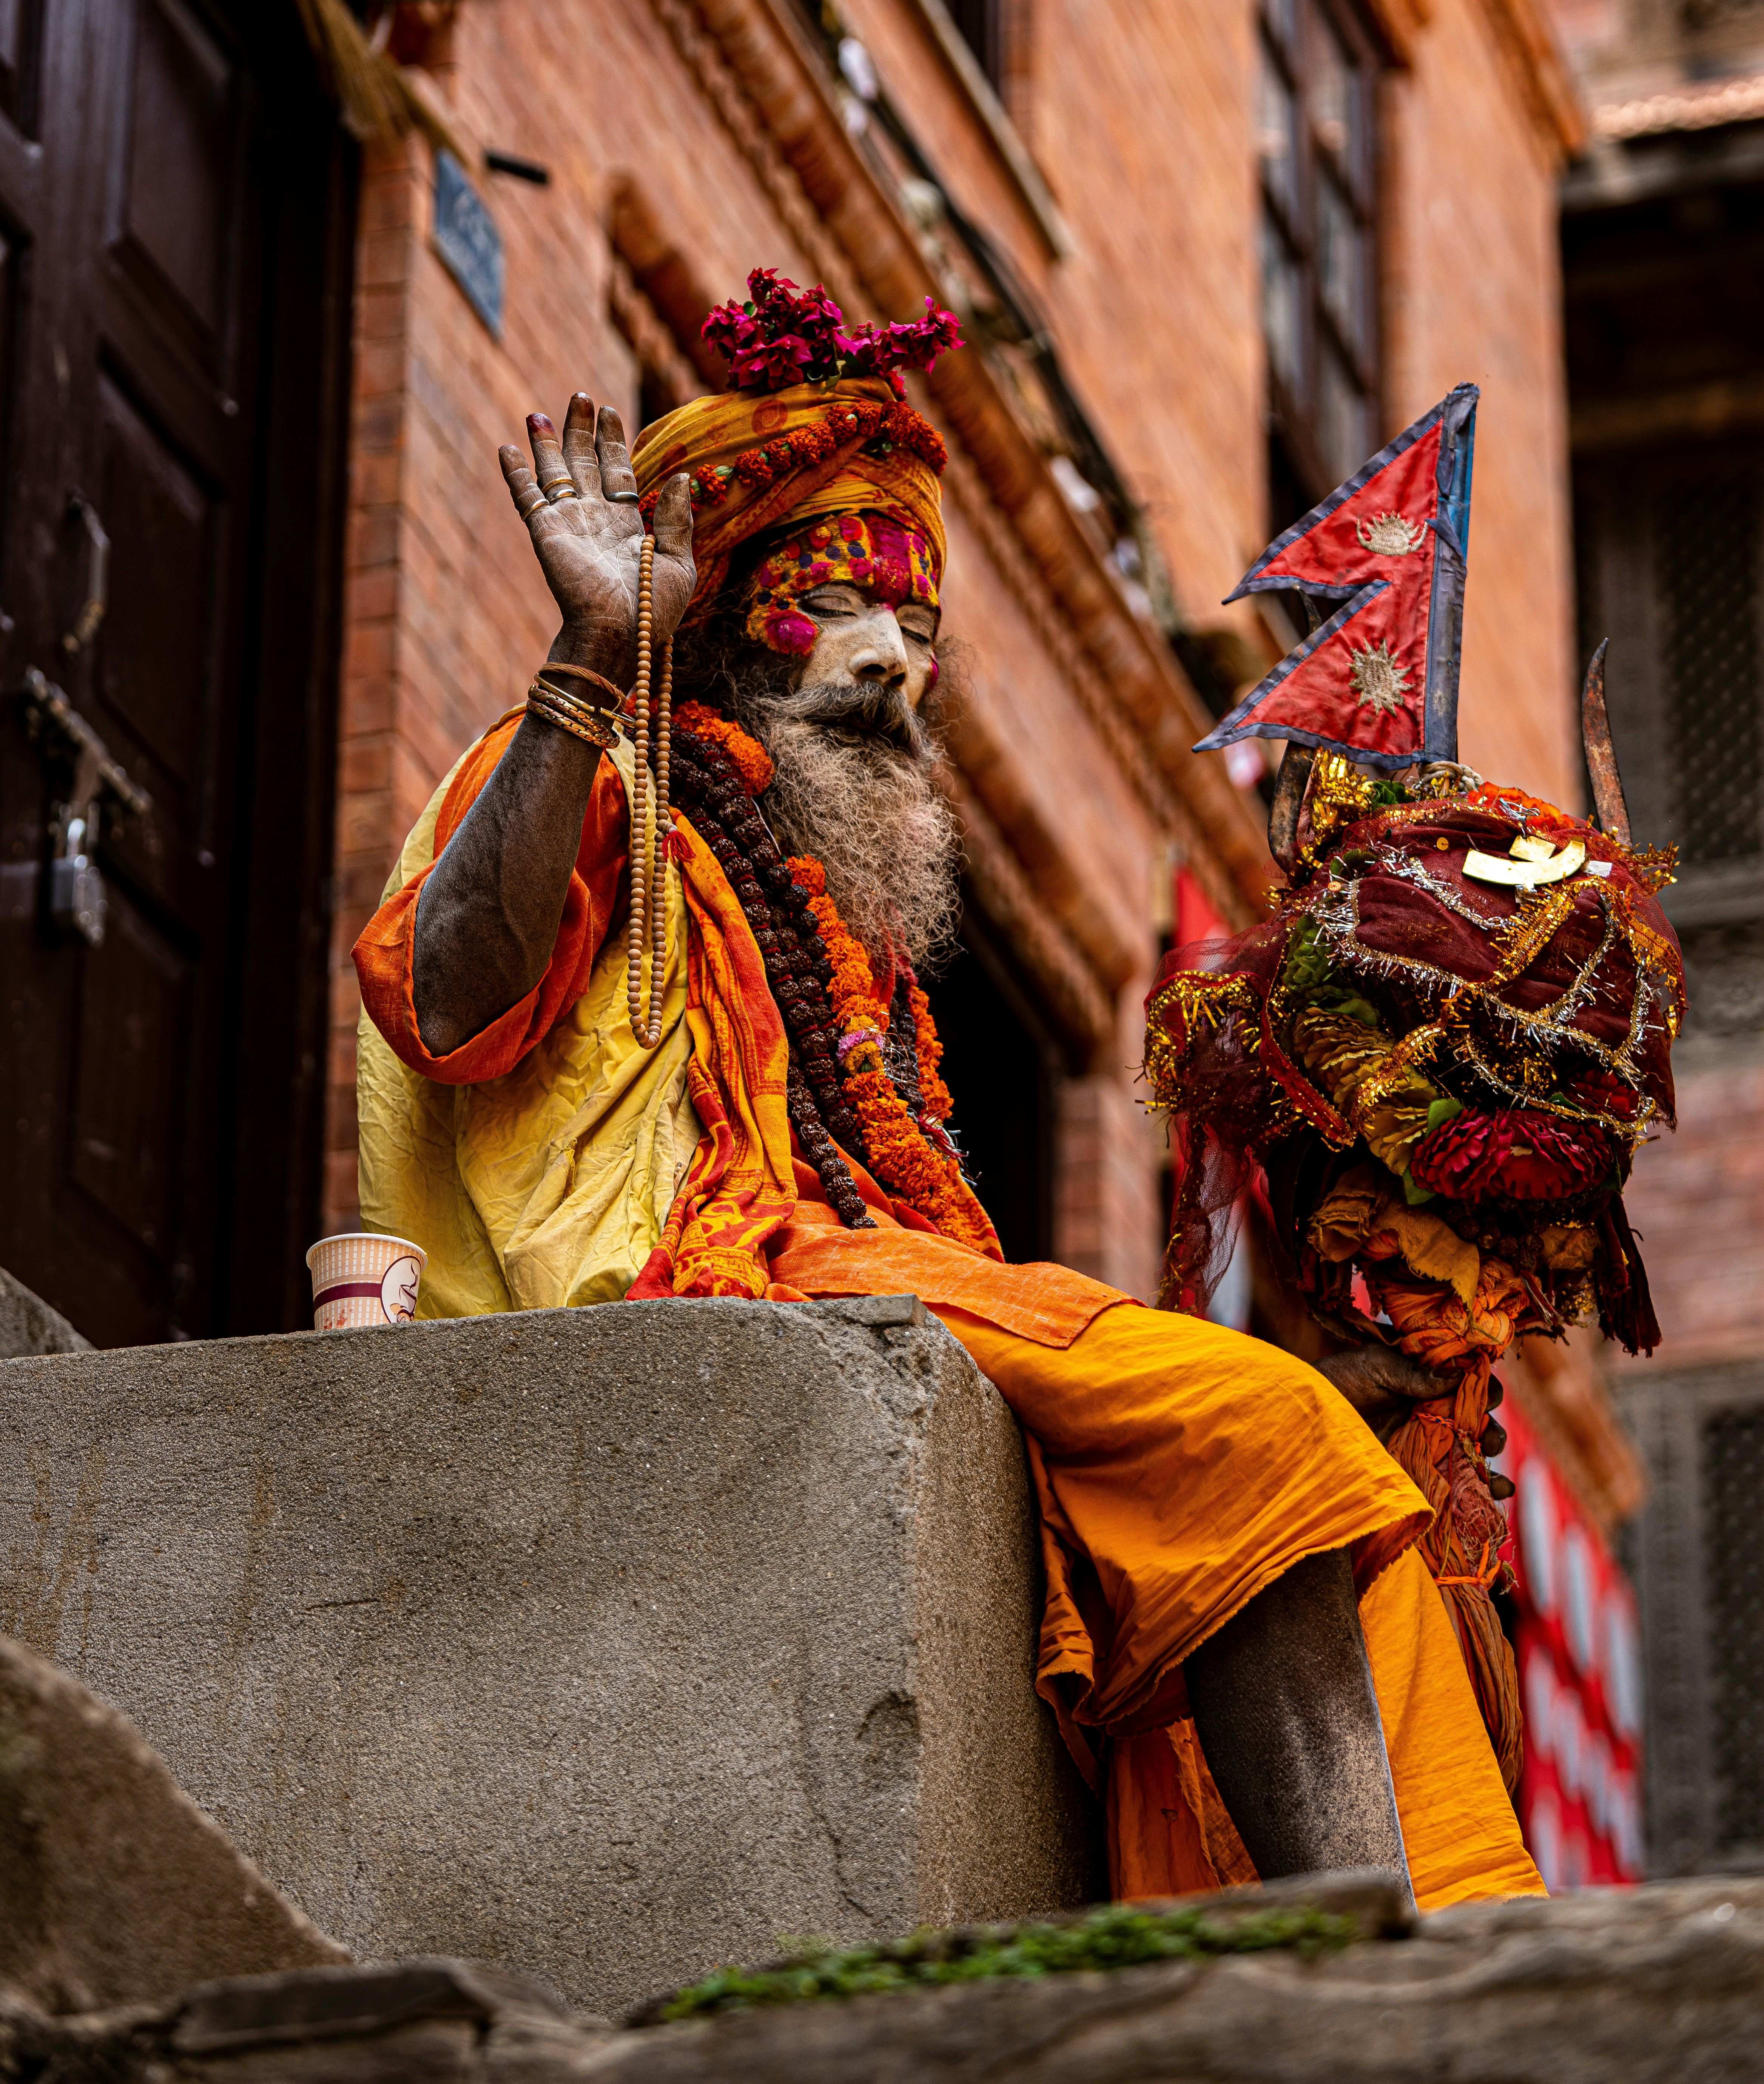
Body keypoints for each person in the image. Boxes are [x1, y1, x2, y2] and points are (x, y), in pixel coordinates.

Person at [353, 273, 1543, 1909]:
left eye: (913, 630)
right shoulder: (592, 773)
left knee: (1343, 1494)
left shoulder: (851, 932)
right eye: (833, 603)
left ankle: (1428, 1934)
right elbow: (448, 999)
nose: (885, 663)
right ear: (717, 620)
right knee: (1266, 1428)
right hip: (695, 1269)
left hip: (871, 1277)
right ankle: (1371, 1954)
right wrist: (589, 653)